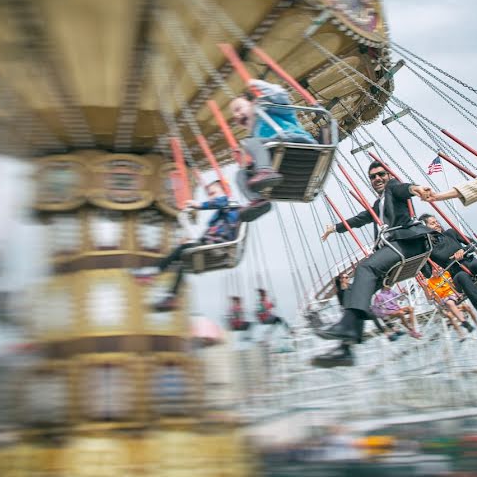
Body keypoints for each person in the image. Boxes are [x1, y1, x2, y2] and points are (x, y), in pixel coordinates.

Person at [312, 161, 433, 367]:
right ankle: (346, 349)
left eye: (381, 174)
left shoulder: (393, 189)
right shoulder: (379, 204)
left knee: (364, 268)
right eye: (373, 177)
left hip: (407, 244)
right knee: (354, 292)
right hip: (394, 250)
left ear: (388, 176)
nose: (377, 179)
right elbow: (361, 218)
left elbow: (405, 189)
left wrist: (417, 189)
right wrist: (334, 228)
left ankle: (347, 330)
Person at [228, 79, 316, 222]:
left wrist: (257, 85)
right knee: (240, 174)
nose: (237, 116)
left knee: (250, 143)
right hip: (281, 159)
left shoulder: (269, 110)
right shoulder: (256, 135)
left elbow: (281, 96)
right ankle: (258, 201)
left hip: (296, 142)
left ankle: (265, 171)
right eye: (234, 115)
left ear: (252, 103)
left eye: (238, 109)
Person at [145, 180, 240, 312]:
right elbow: (210, 233)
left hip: (218, 248)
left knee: (183, 249)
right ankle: (171, 296)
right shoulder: (221, 214)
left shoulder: (231, 204)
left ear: (225, 191)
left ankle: (155, 271)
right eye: (209, 195)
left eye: (213, 193)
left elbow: (222, 201)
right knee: (183, 262)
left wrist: (199, 204)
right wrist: (193, 240)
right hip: (212, 247)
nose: (211, 197)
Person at [426, 265, 477, 339]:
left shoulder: (446, 274)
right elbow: (430, 298)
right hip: (444, 300)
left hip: (455, 295)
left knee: (467, 307)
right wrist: (425, 288)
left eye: (439, 268)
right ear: (432, 271)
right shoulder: (429, 282)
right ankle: (463, 325)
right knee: (450, 309)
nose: (437, 270)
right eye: (434, 269)